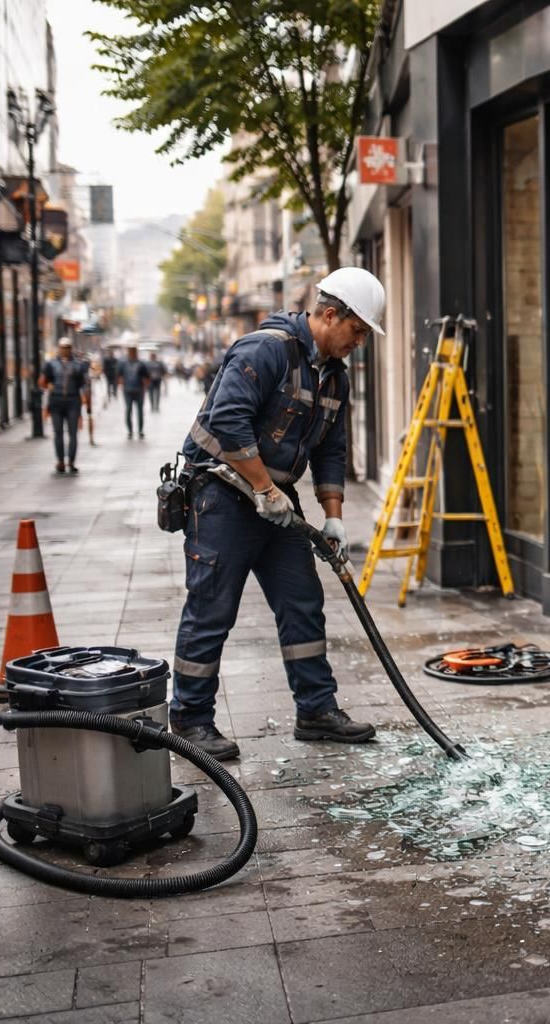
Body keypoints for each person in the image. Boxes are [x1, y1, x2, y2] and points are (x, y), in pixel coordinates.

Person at [168, 267, 386, 760]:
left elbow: (332, 449)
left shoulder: (335, 377)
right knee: (211, 611)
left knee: (302, 602)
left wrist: (333, 517)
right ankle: (190, 719)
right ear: (330, 315)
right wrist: (264, 489)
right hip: (221, 496)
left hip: (278, 501)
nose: (359, 342)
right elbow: (228, 421)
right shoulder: (264, 350)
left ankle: (316, 710)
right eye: (357, 331)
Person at [38, 338, 91, 475]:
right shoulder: (51, 364)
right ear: (59, 348)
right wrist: (46, 385)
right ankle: (61, 461)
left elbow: (84, 384)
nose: (65, 350)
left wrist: (88, 402)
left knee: (73, 433)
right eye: (62, 347)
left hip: (73, 401)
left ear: (71, 348)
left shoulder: (78, 365)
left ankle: (71, 461)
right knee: (58, 433)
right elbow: (42, 381)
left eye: (67, 347)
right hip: (56, 401)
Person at [118, 345, 151, 438]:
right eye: (130, 352)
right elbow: (119, 376)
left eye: (133, 352)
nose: (132, 354)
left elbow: (147, 377)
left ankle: (140, 430)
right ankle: (130, 431)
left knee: (140, 411)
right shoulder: (123, 364)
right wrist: (121, 385)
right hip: (127, 390)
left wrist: (145, 387)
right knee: (128, 410)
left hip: (139, 390)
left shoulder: (141, 364)